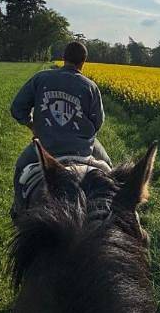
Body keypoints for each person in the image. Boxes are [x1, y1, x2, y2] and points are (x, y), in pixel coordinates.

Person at [10, 41, 111, 215]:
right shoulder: (90, 86)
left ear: (63, 58)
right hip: (83, 149)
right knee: (109, 168)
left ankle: (18, 209)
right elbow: (98, 122)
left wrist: (32, 125)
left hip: (46, 147)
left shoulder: (41, 78)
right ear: (83, 62)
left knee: (21, 168)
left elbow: (17, 108)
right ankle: (120, 214)